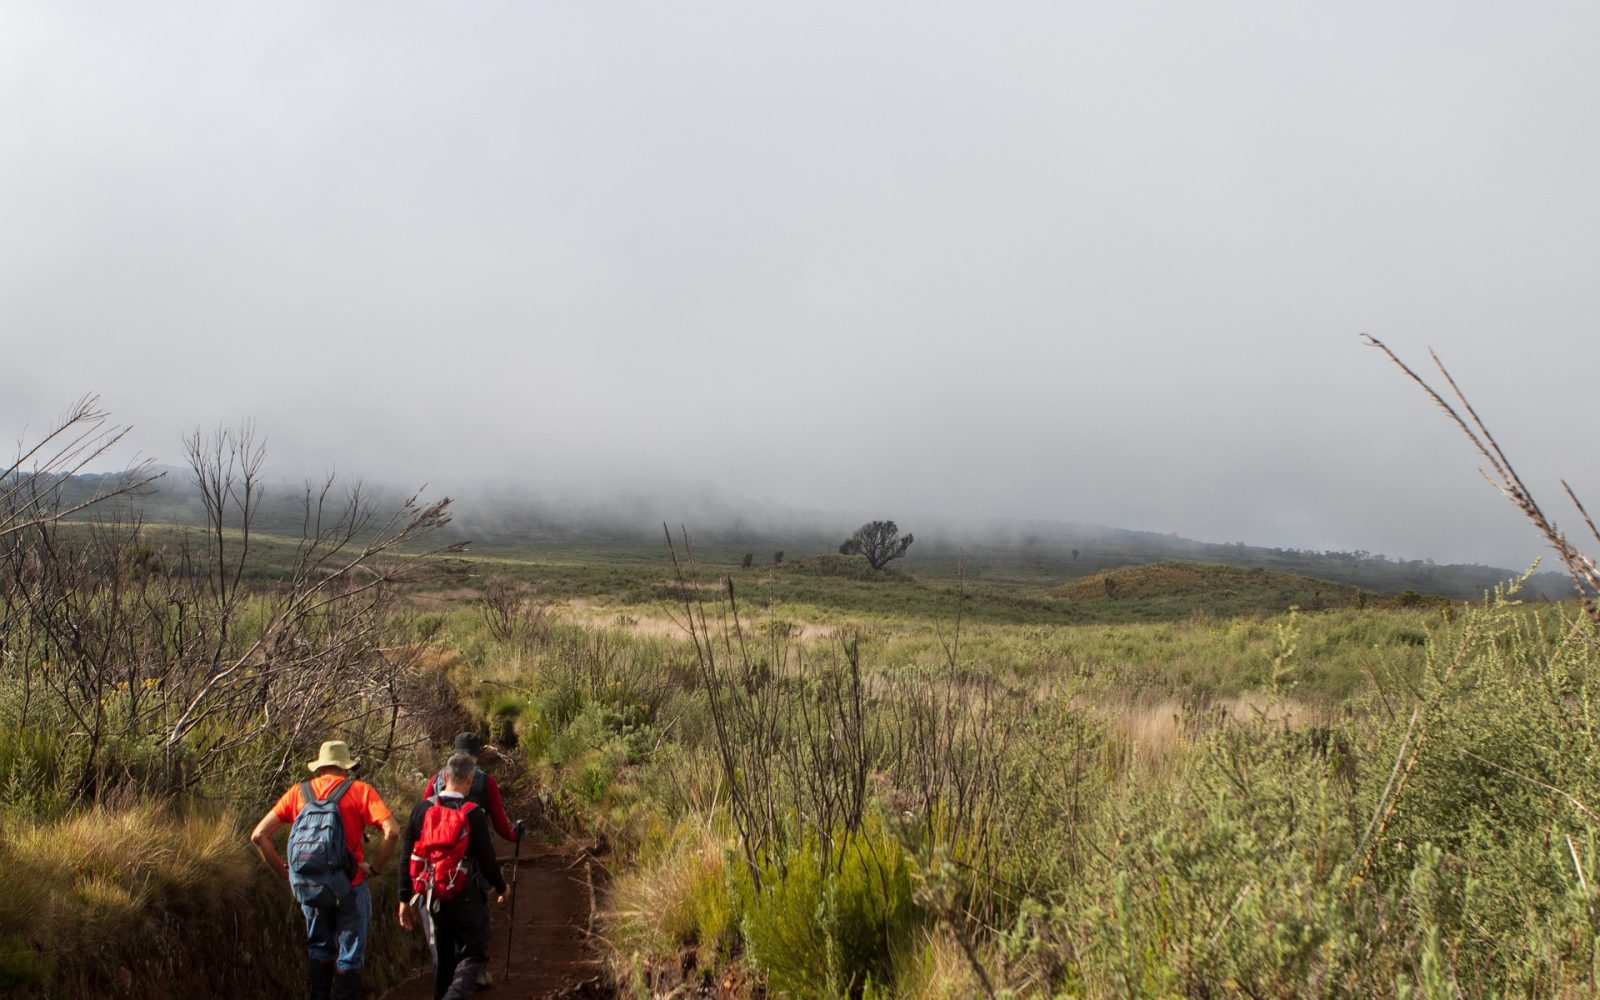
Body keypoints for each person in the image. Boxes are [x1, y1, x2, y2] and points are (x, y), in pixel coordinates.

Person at [251, 739, 400, 1000]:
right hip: (350, 885)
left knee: (319, 949)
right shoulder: (360, 791)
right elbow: (392, 831)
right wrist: (374, 868)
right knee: (350, 955)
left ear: (319, 767)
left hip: (311, 887)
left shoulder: (299, 793)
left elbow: (258, 836)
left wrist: (286, 874)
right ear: (346, 767)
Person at [399, 752, 508, 999]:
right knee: (473, 954)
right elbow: (487, 861)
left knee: (443, 961)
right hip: (465, 897)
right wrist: (502, 888)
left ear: (444, 777)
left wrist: (404, 899)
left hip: (429, 899)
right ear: (470, 780)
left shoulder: (421, 809)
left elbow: (407, 857)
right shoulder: (473, 814)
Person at [422, 731, 520, 843]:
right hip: (475, 845)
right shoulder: (487, 782)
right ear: (476, 755)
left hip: (441, 841)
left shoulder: (435, 779)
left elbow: (424, 812)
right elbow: (499, 824)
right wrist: (514, 836)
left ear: (455, 754)